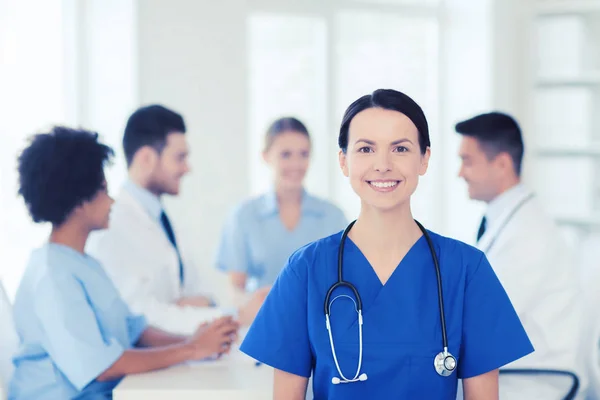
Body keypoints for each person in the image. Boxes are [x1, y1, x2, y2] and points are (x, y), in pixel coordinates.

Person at [239, 89, 534, 399]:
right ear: (344, 161)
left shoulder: (467, 270)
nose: (382, 165)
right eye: (366, 149)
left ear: (424, 159)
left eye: (400, 149)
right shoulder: (305, 270)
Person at [9, 127, 238, 400]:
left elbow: (136, 331)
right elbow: (100, 367)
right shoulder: (52, 275)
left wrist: (194, 341)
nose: (112, 200)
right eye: (104, 190)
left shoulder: (85, 263)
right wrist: (190, 350)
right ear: (79, 200)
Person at [87, 105, 268, 335]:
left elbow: (198, 293)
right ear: (146, 158)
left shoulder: (160, 218)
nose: (187, 168)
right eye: (180, 157)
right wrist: (236, 316)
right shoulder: (112, 225)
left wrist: (199, 304)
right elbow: (138, 316)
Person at [455, 111, 586, 398]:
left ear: (501, 164)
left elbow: (484, 318)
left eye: (467, 161)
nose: (460, 173)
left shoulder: (529, 235)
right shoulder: (509, 221)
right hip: (516, 371)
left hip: (533, 381)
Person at [215, 117, 347, 295]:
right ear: (266, 156)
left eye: (303, 154)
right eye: (286, 154)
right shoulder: (244, 215)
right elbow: (235, 290)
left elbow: (346, 279)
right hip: (263, 318)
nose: (296, 164)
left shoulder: (332, 216)